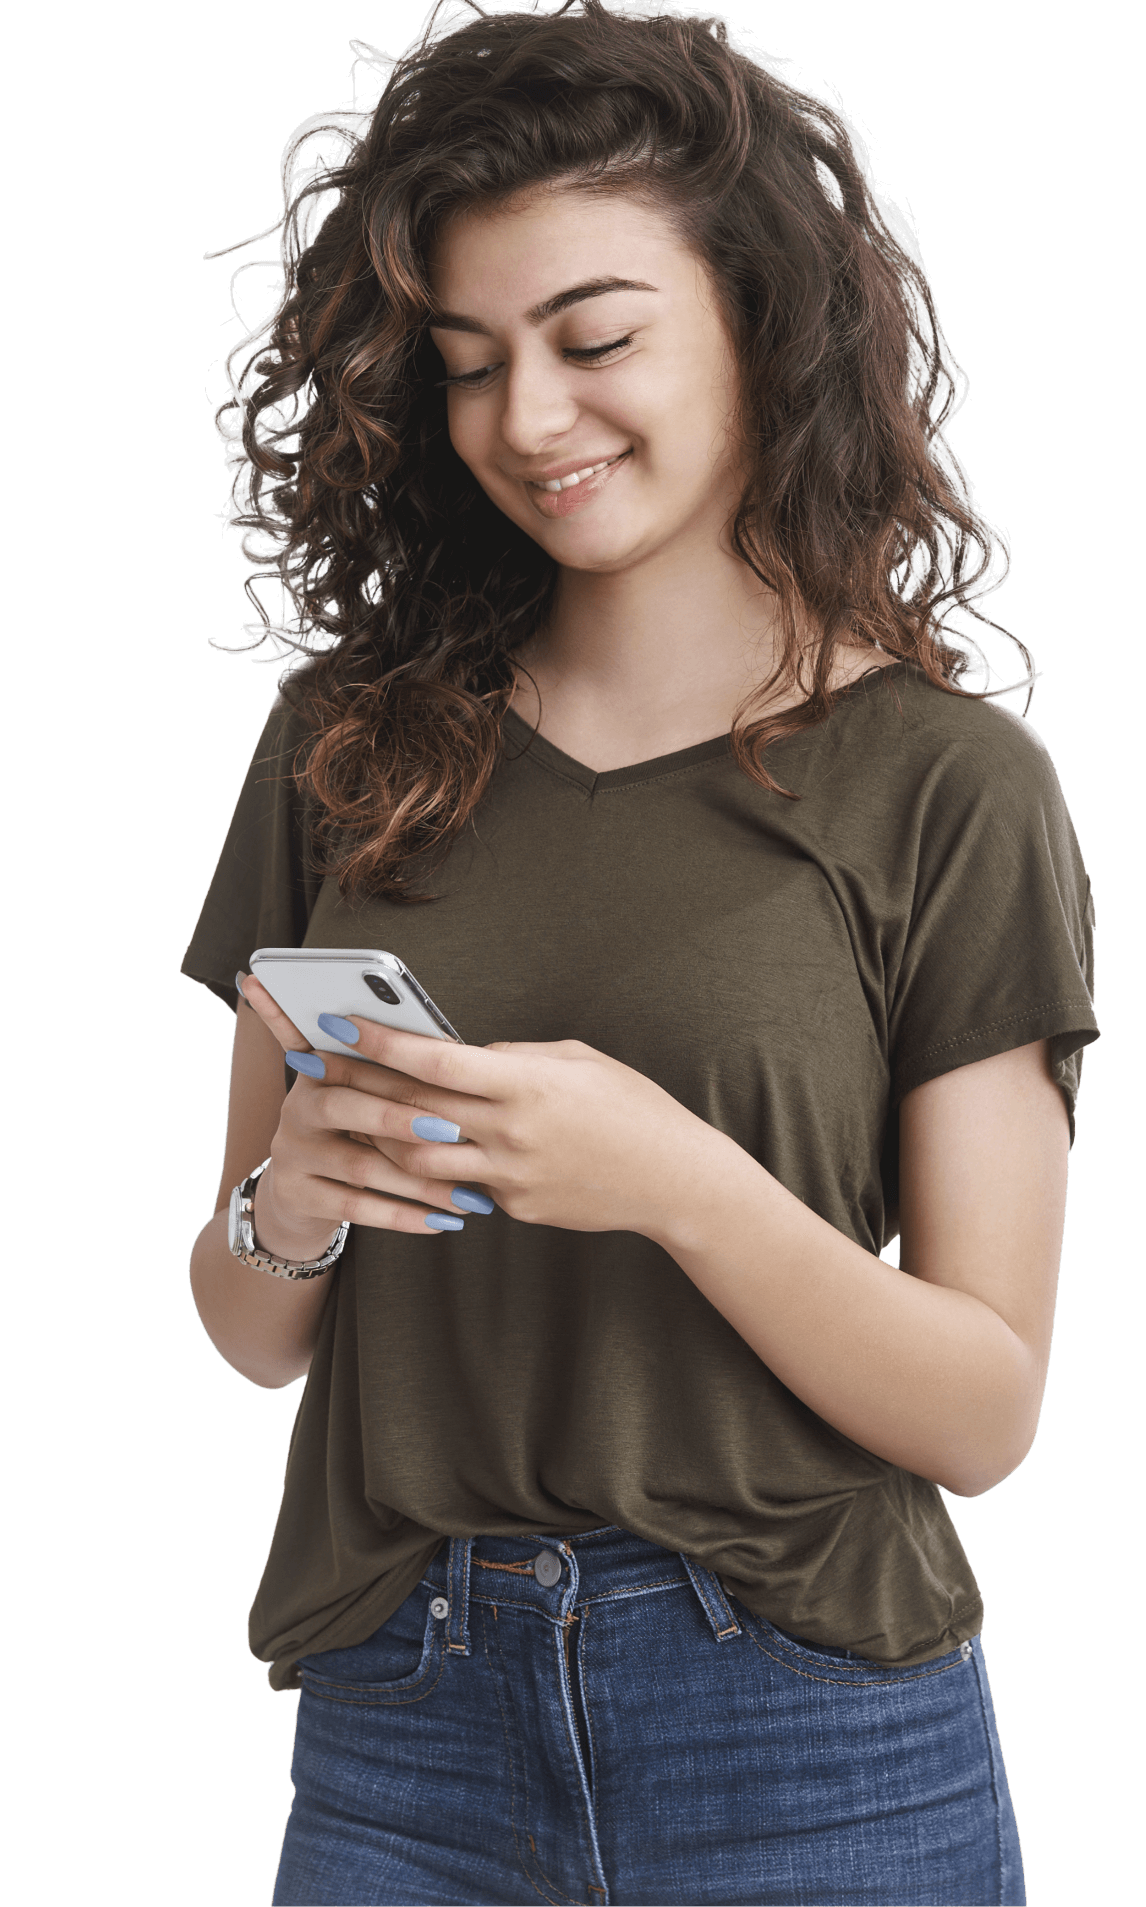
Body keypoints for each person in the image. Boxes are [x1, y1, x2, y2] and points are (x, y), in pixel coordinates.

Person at [185, 3, 1098, 1901]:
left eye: (596, 339)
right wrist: (298, 1199)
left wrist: (677, 1183)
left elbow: (984, 1407)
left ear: (762, 321)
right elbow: (253, 1332)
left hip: (811, 1730)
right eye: (467, 361)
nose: (529, 419)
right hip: (397, 1716)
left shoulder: (952, 785)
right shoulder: (345, 739)